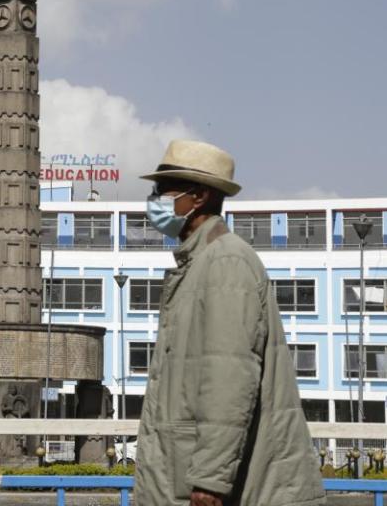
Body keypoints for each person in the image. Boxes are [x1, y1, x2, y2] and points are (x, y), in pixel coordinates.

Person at [134, 140, 325, 506]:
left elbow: (229, 378)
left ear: (199, 196)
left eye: (162, 190)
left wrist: (210, 480)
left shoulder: (226, 263)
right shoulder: (201, 263)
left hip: (207, 488)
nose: (154, 199)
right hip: (186, 475)